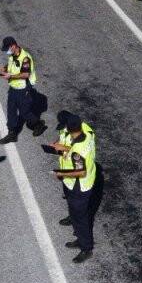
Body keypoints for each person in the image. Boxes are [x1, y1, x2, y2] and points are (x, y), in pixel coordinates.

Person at [52, 113, 101, 263]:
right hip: (84, 182)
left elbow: (80, 171)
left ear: (69, 128)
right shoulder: (87, 130)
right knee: (75, 212)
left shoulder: (78, 152)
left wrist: (61, 173)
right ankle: (75, 224)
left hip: (79, 186)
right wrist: (64, 147)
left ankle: (86, 247)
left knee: (81, 219)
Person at [0, 36, 46, 143]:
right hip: (13, 88)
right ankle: (12, 133)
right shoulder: (13, 55)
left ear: (13, 46)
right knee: (11, 110)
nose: (7, 52)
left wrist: (11, 76)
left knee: (24, 112)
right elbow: (12, 64)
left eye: (7, 49)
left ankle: (38, 124)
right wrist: (5, 68)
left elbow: (26, 74)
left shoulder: (25, 58)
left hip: (24, 89)